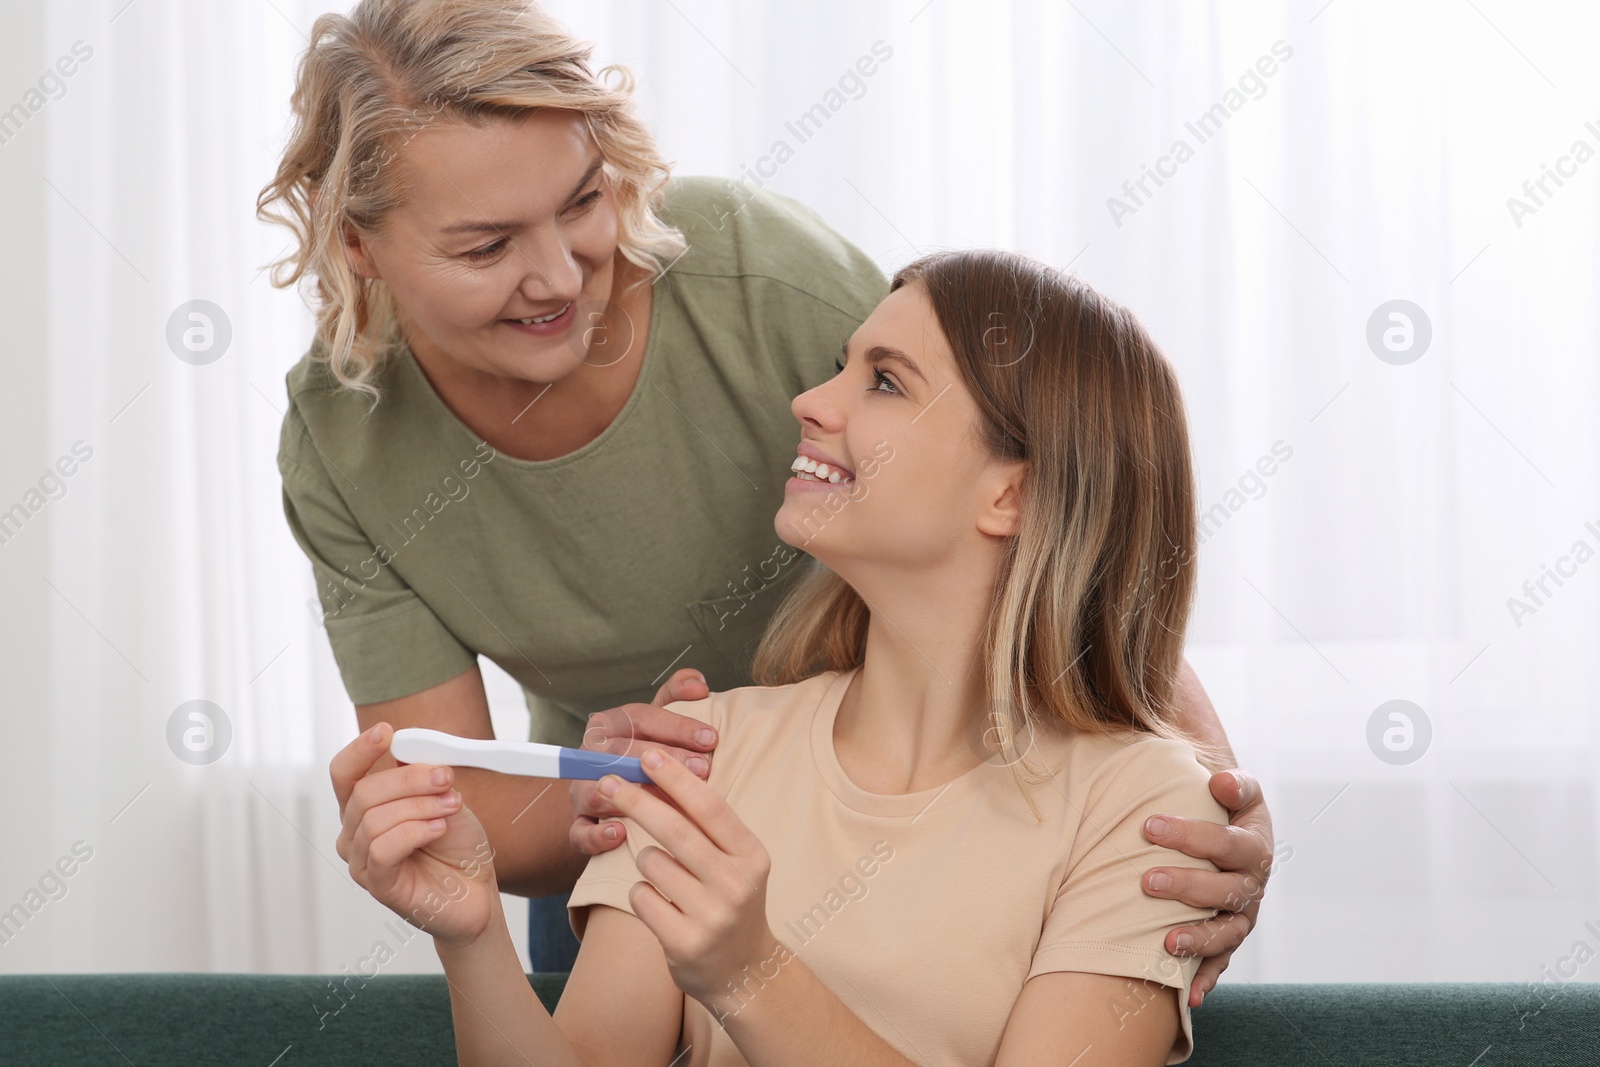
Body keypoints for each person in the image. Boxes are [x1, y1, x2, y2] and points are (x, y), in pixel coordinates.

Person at [266, 0, 1272, 984]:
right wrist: (610, 803)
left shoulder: (754, 274)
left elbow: (1026, 486)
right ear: (357, 245)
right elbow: (462, 796)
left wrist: (1205, 790)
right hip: (639, 850)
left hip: (928, 809)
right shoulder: (339, 441)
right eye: (486, 247)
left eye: (581, 201)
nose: (560, 279)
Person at [335, 249, 1231, 1065]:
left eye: (883, 381)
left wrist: (750, 972)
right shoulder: (699, 749)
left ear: (1012, 492)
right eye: (840, 364)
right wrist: (471, 930)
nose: (810, 401)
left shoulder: (1146, 811)